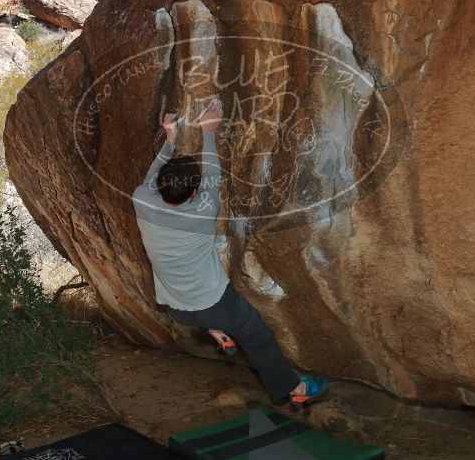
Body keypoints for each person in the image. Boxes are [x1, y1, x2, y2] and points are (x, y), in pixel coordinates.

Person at [132, 98, 328, 406]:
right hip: (213, 303)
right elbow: (212, 172)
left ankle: (216, 331)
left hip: (176, 306)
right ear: (194, 192)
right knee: (259, 336)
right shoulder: (202, 210)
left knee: (205, 312)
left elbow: (156, 177)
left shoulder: (142, 200)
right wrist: (209, 129)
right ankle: (294, 389)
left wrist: (171, 138)